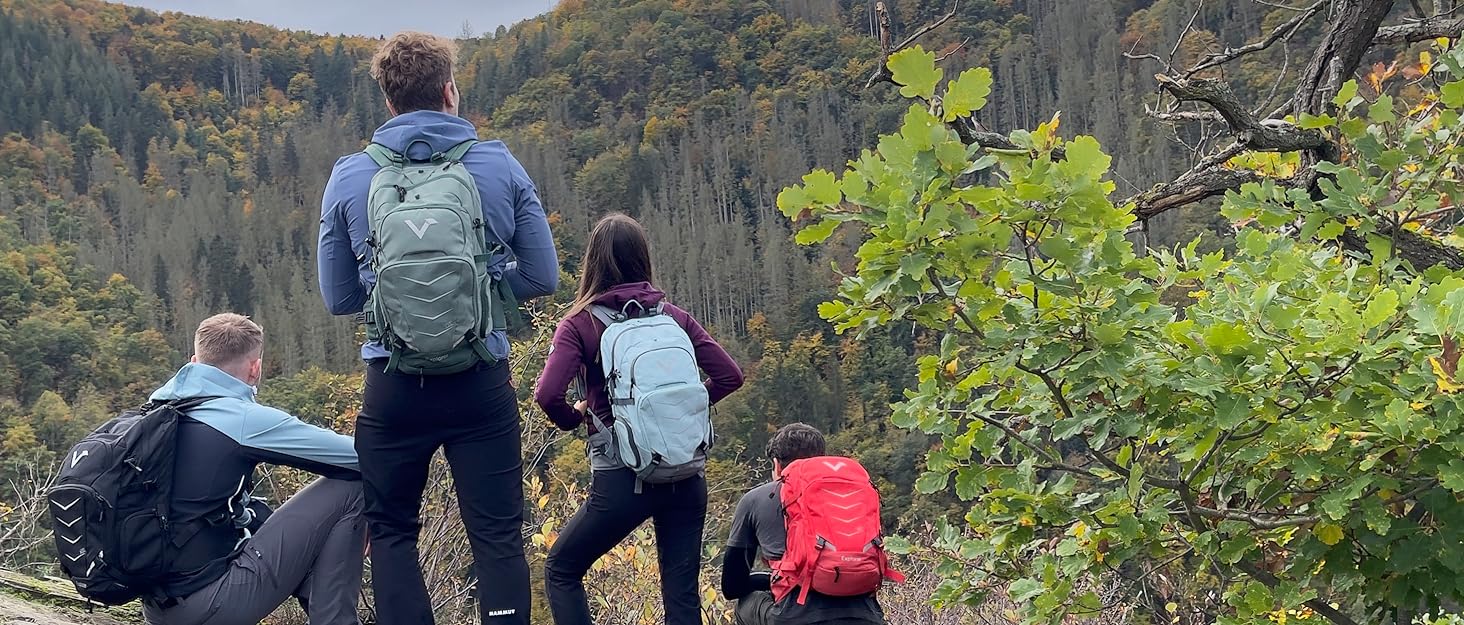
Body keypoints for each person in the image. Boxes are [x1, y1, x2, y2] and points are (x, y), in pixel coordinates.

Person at [315, 31, 558, 625]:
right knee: (498, 536)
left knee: (393, 532)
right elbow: (543, 275)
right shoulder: (497, 163)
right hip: (480, 381)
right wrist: (483, 285)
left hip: (394, 387)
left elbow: (340, 297)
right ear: (450, 89)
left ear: (389, 101)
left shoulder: (350, 176)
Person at [534, 213, 744, 625]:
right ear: (643, 258)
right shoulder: (674, 318)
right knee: (681, 597)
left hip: (621, 479)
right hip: (685, 474)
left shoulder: (580, 324)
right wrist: (690, 408)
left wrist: (573, 420)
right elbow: (730, 376)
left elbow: (547, 395)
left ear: (592, 262)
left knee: (562, 568)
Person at [141, 313, 364, 625]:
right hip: (211, 606)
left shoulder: (155, 413)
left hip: (158, 606)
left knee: (258, 512)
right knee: (355, 488)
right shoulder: (242, 420)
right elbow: (362, 457)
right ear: (255, 368)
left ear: (195, 361)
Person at [722, 423, 888, 625]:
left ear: (776, 464)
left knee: (745, 604)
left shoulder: (756, 498)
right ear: (822, 458)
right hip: (866, 615)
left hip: (794, 616)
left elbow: (732, 586)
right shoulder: (855, 492)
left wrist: (771, 578)